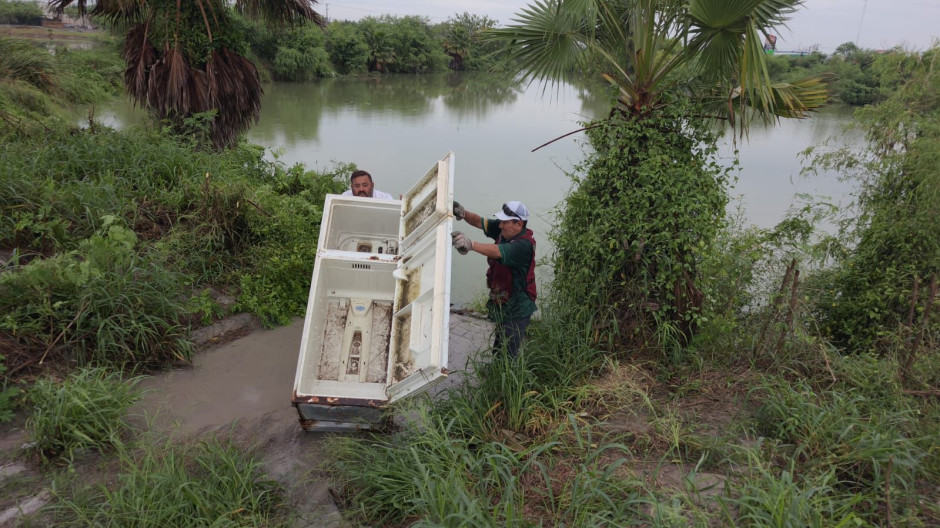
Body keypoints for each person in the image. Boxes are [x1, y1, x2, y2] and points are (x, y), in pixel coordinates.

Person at [451, 200, 537, 358]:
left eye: (504, 222)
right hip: (504, 299)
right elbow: (480, 222)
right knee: (500, 341)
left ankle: (508, 379)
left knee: (509, 350)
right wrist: (462, 213)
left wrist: (470, 244)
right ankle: (497, 373)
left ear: (518, 223)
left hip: (518, 305)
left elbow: (498, 251)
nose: (500, 225)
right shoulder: (505, 230)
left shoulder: (523, 245)